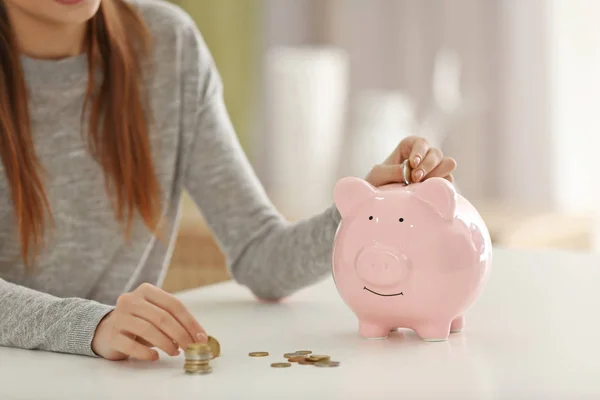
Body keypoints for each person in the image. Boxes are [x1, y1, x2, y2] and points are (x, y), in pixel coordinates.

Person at [0, 0, 457, 362]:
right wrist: (90, 326)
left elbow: (261, 255)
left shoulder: (167, 47)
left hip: (126, 378)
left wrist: (360, 213)